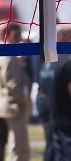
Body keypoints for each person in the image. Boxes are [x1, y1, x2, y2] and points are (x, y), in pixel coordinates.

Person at [37, 26, 71, 161]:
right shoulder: (68, 64)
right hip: (70, 121)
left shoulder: (47, 63)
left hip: (54, 118)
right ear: (61, 37)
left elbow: (43, 92)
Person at [0, 24, 30, 161]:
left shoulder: (12, 54)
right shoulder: (8, 55)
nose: (19, 38)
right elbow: (10, 84)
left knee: (19, 144)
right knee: (16, 146)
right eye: (15, 35)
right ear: (6, 36)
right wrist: (24, 100)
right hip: (13, 106)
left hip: (14, 105)